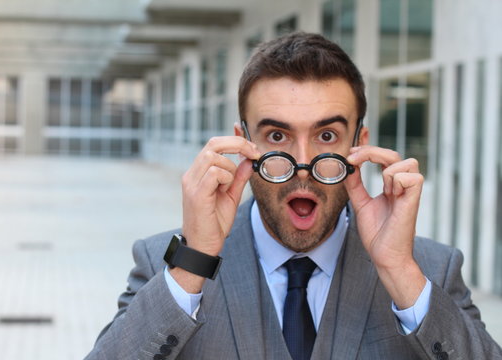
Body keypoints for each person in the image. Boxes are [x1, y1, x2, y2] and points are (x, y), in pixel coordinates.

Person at [85, 32, 502, 360]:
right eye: (277, 136)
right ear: (241, 143)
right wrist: (195, 261)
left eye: (326, 136)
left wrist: (399, 272)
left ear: (361, 144)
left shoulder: (429, 270)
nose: (303, 166)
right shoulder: (166, 263)